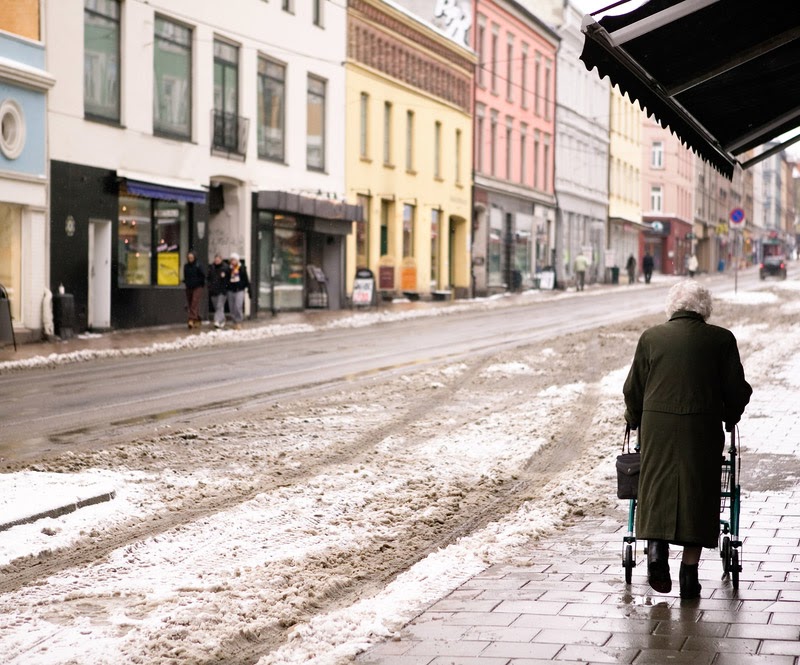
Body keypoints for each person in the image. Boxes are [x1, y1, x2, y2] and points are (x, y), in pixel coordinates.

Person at [622, 280, 751, 599]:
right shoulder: (721, 340)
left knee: (656, 484)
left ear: (673, 307)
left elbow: (632, 389)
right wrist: (731, 415)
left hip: (658, 427)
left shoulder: (651, 338)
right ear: (704, 308)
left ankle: (656, 553)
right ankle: (689, 575)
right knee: (699, 490)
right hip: (702, 427)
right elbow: (736, 390)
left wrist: (633, 419)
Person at [225, 252, 250, 330]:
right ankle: (234, 322)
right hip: (231, 290)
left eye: (234, 260)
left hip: (239, 290)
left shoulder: (241, 268)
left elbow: (246, 279)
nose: (233, 262)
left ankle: (239, 321)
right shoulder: (228, 269)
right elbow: (226, 279)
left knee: (238, 306)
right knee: (232, 307)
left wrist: (249, 288)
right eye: (232, 260)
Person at [182, 251, 205, 329]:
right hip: (189, 287)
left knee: (194, 302)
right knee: (191, 303)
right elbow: (185, 276)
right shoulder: (186, 266)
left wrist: (200, 283)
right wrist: (186, 283)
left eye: (191, 258)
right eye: (189, 258)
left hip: (197, 286)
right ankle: (197, 318)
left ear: (194, 258)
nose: (190, 259)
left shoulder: (198, 265)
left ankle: (191, 319)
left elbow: (203, 276)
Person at [207, 253, 229, 329]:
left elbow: (228, 279)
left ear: (221, 260)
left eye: (218, 259)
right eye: (216, 259)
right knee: (217, 307)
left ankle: (216, 321)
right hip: (213, 290)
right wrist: (209, 286)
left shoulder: (225, 268)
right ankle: (222, 319)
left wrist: (226, 287)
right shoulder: (211, 267)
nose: (217, 260)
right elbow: (208, 278)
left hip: (222, 291)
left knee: (219, 306)